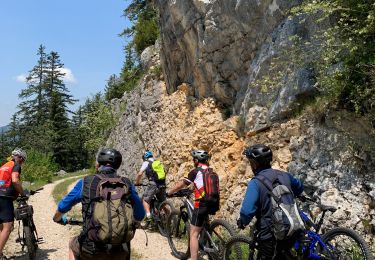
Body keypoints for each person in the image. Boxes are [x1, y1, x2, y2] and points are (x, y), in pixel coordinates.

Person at [53, 148, 145, 260]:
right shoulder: (126, 183)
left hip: (91, 249)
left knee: (72, 245)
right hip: (120, 249)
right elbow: (140, 214)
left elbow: (63, 206)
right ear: (118, 165)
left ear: (98, 164)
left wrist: (57, 218)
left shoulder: (87, 182)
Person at [237, 144, 304, 260]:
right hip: (291, 230)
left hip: (270, 236)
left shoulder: (255, 183)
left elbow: (247, 211)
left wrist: (242, 222)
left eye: (250, 162)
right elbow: (299, 187)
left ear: (255, 164)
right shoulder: (284, 175)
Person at [166, 150, 212, 260]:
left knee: (193, 234)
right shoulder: (211, 171)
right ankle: (207, 243)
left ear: (196, 160)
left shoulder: (195, 171)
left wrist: (169, 192)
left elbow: (181, 185)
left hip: (201, 204)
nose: (193, 161)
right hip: (213, 202)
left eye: (193, 160)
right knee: (204, 224)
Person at [0, 148, 27, 260]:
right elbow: (15, 180)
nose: (22, 163)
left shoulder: (4, 165)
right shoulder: (15, 165)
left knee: (1, 227)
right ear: (20, 158)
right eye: (23, 160)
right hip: (4, 198)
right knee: (8, 227)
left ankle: (1, 254)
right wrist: (22, 193)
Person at [135, 150, 166, 226]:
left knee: (145, 200)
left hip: (153, 184)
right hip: (162, 184)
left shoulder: (146, 163)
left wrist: (137, 182)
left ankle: (149, 216)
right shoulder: (158, 162)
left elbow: (140, 174)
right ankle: (170, 217)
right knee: (162, 203)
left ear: (144, 157)